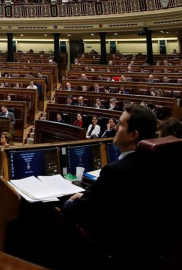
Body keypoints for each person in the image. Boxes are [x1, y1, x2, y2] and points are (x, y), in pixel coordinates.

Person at [61, 104, 158, 269]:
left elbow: (75, 212)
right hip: (144, 249)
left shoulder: (115, 171)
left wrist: (72, 201)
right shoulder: (155, 163)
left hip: (111, 249)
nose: (115, 127)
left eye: (120, 124)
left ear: (133, 135)